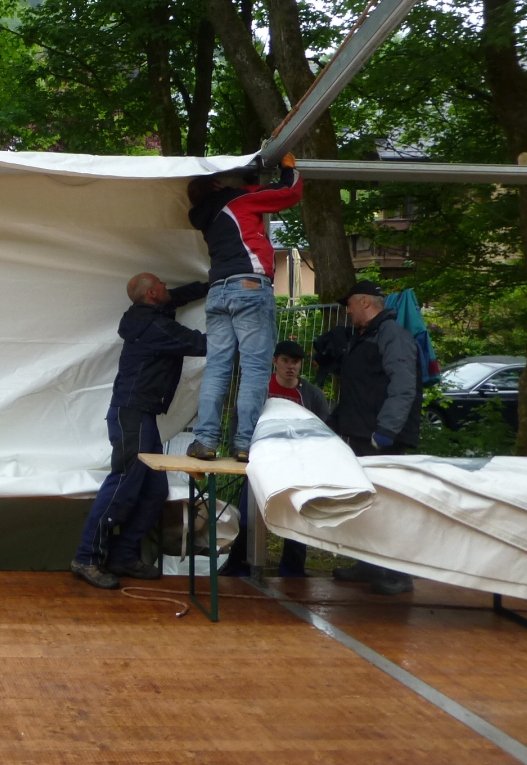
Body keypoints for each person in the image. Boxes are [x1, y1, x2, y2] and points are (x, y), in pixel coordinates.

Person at [72, 273, 209, 589]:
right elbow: (199, 344)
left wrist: (212, 282)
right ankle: (86, 558)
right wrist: (239, 333)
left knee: (155, 490)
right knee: (124, 485)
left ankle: (123, 555)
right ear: (151, 294)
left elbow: (177, 296)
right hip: (130, 416)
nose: (165, 286)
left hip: (141, 415)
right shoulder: (154, 326)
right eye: (160, 283)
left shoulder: (147, 315)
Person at [185, 154, 304, 461]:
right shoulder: (237, 199)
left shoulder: (206, 216)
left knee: (217, 367)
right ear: (217, 184)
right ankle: (245, 443)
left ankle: (206, 440)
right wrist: (289, 168)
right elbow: (287, 193)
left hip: (218, 291)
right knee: (254, 368)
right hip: (249, 287)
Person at [327, 279, 422, 596]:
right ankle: (368, 563)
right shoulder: (366, 336)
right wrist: (333, 422)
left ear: (365, 302)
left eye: (350, 304)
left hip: (382, 437)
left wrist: (386, 431)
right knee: (366, 502)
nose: (348, 311)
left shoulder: (392, 335)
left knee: (389, 503)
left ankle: (399, 573)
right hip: (362, 433)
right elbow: (358, 389)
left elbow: (403, 384)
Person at [218, 340, 332, 578]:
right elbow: (239, 417)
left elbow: (323, 429)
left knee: (297, 516)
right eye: (286, 361)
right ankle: (238, 565)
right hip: (260, 460)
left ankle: (292, 572)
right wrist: (237, 449)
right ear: (275, 362)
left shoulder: (312, 395)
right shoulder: (259, 389)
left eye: (296, 362)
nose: (291, 367)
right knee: (249, 516)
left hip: (297, 464)